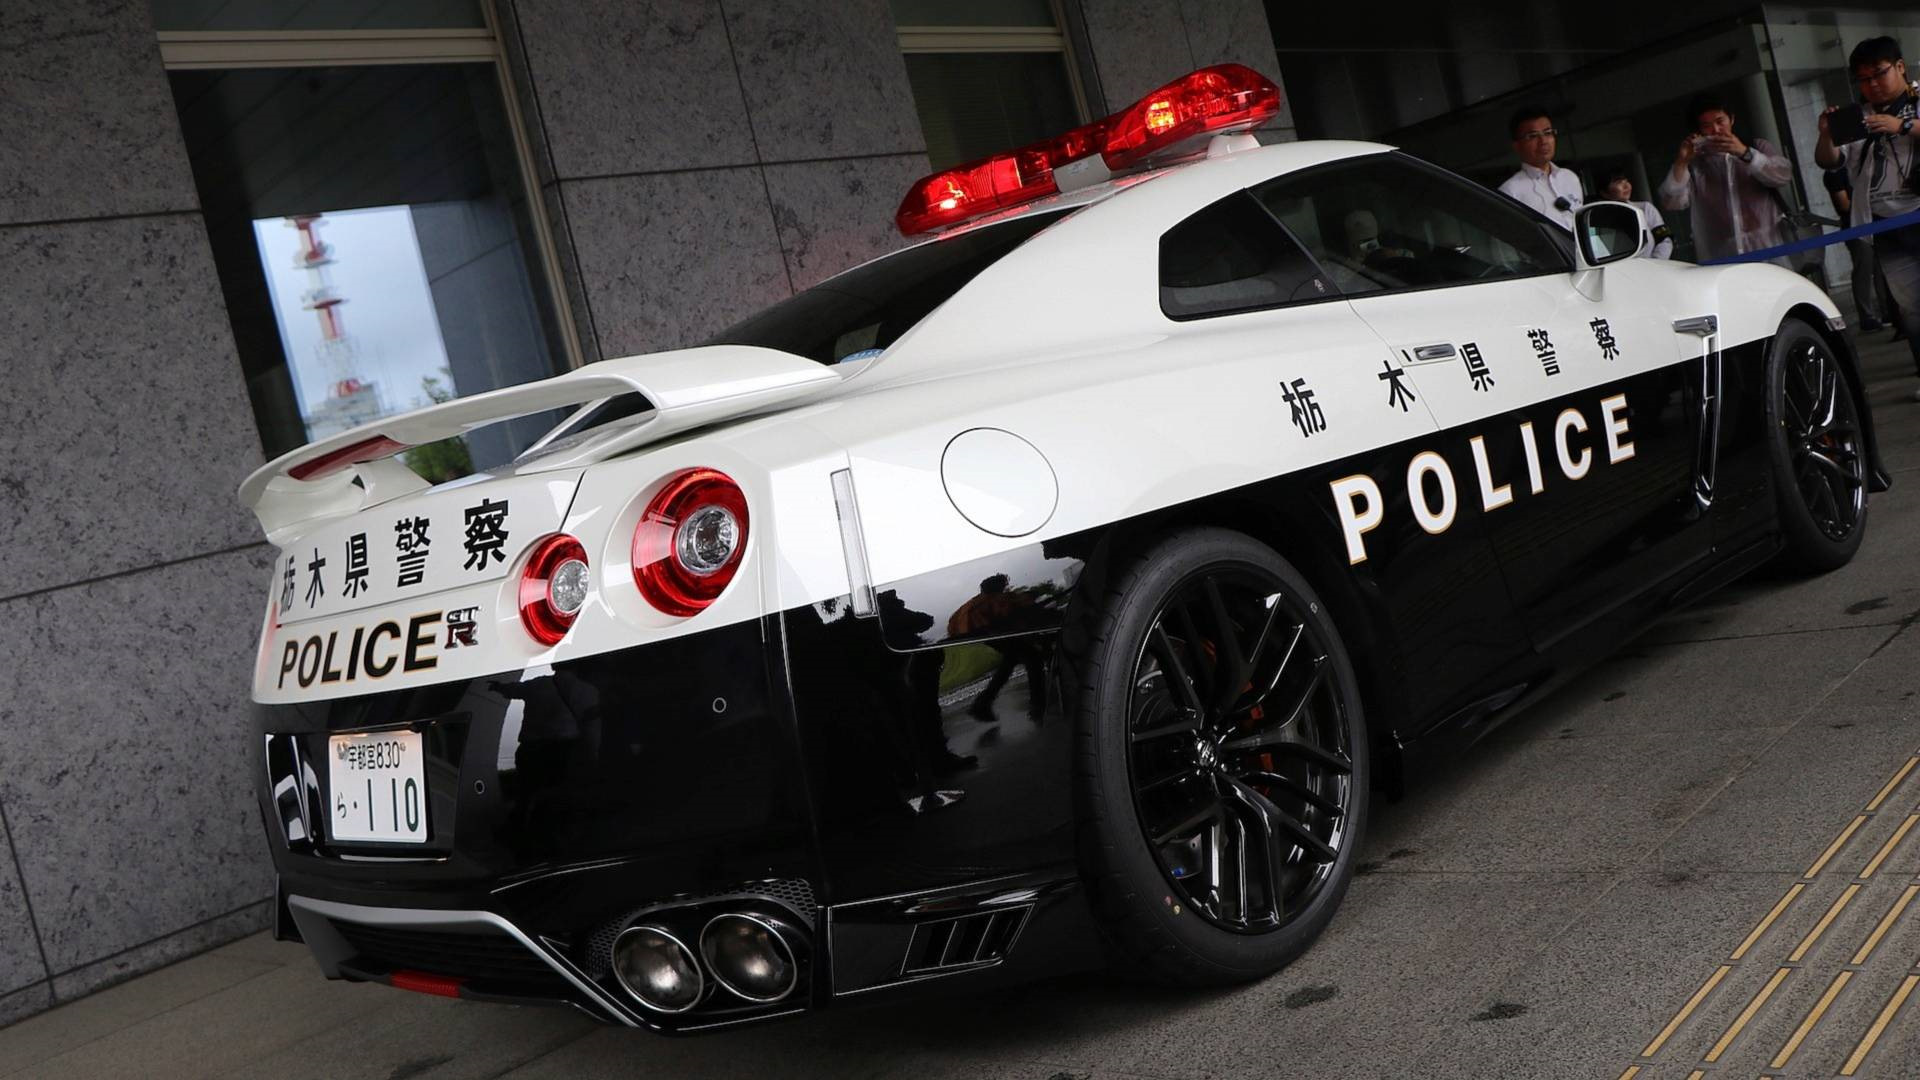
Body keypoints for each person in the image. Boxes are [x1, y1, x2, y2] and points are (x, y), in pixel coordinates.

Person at [1816, 35, 1920, 395]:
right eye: (1863, 79)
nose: (1872, 84)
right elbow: (1829, 162)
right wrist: (1826, 136)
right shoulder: (1855, 118)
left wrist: (1902, 126)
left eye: (1879, 73)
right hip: (1885, 223)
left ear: (1900, 67)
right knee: (1911, 309)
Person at [1657, 94, 1794, 262]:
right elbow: (1672, 202)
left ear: (1732, 119)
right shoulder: (1696, 164)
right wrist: (1682, 162)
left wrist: (1745, 153)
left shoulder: (1757, 146)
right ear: (1698, 130)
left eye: (1720, 121)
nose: (1715, 130)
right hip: (1723, 256)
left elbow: (1783, 176)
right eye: (1706, 126)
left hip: (1771, 248)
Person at [1824, 166, 1887, 331]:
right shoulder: (1835, 172)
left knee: (1881, 268)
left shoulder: (1859, 165)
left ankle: (1886, 311)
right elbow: (1844, 204)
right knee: (1863, 270)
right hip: (1855, 226)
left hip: (1871, 222)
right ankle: (1867, 316)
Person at [1499, 106, 1583, 230]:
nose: (1543, 141)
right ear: (1517, 146)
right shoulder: (1510, 191)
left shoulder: (1570, 177)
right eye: (1533, 136)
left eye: (1548, 133)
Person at [1598, 169, 1672, 259]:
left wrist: (1655, 263)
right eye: (1619, 182)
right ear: (1604, 193)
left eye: (1626, 181)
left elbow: (1664, 240)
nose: (1626, 186)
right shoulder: (1602, 220)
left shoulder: (1645, 208)